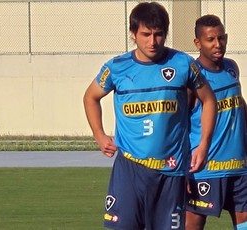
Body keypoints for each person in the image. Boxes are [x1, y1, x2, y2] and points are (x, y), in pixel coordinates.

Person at [83, 2, 217, 230]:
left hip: (171, 171)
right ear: (133, 34)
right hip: (130, 170)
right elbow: (90, 97)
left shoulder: (182, 64)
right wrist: (99, 134)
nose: (152, 41)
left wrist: (203, 144)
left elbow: (209, 100)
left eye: (158, 34)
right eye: (145, 34)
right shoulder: (117, 67)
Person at [185, 15, 247, 230]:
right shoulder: (191, 76)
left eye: (221, 38)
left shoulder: (232, 67)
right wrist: (183, 169)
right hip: (205, 168)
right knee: (192, 224)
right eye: (210, 39)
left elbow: (239, 104)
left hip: (238, 166)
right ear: (197, 43)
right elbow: (180, 124)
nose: (217, 44)